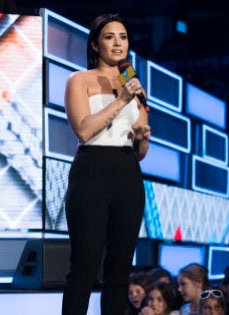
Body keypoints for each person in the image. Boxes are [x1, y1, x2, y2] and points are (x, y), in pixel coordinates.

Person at [61, 13, 151, 315]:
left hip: (127, 170)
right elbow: (84, 130)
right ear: (96, 45)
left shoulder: (135, 85)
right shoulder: (79, 80)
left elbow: (141, 152)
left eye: (123, 37)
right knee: (85, 264)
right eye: (110, 36)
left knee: (120, 268)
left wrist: (142, 138)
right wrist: (122, 99)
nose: (118, 43)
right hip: (92, 169)